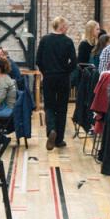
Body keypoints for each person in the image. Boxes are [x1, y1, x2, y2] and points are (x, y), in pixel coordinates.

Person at [36, 16, 77, 151]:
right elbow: (74, 62)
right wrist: (66, 71)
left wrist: (45, 72)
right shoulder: (68, 41)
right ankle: (59, 140)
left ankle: (51, 130)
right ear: (61, 27)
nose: (67, 28)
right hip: (63, 79)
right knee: (62, 108)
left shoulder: (44, 40)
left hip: (49, 78)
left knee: (49, 106)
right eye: (66, 26)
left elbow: (38, 60)